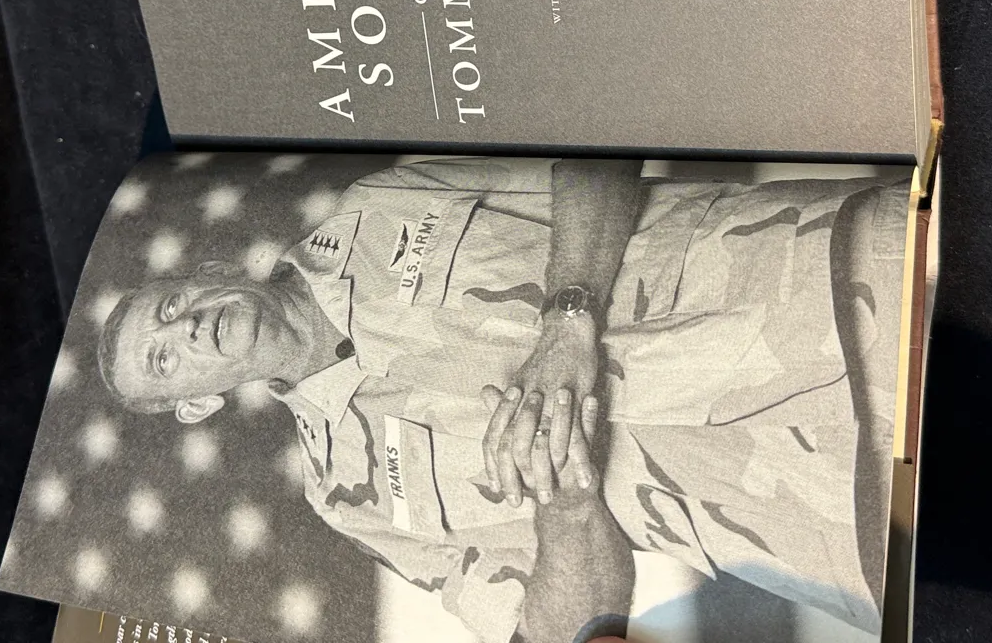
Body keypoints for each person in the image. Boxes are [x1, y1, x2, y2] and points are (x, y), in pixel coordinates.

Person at [97, 158, 908, 643]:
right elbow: (560, 631)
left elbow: (592, 154)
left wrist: (568, 318)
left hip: (839, 282)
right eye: (165, 360)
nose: (187, 329)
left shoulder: (379, 203)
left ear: (208, 275)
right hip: (830, 514)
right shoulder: (346, 498)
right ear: (196, 406)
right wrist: (565, 508)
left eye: (170, 306)